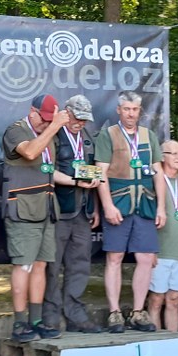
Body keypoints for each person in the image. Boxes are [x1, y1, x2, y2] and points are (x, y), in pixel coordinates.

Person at [94, 90, 166, 333]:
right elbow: (100, 173)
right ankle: (114, 312)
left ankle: (137, 312)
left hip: (145, 203)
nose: (131, 114)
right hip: (119, 202)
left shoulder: (149, 135)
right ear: (119, 110)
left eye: (135, 109)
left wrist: (161, 207)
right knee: (114, 258)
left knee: (145, 259)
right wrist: (107, 206)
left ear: (140, 111)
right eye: (126, 109)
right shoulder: (108, 135)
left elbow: (158, 173)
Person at [2, 93, 70, 343]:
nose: (47, 123)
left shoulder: (48, 135)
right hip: (22, 209)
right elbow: (30, 152)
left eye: (51, 120)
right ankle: (20, 323)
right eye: (44, 118)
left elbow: (48, 170)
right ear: (32, 112)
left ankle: (37, 320)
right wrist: (54, 127)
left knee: (41, 265)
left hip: (46, 208)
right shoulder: (16, 130)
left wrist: (76, 181)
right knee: (24, 265)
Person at [43, 95, 102, 333]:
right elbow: (46, 170)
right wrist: (75, 181)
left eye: (85, 119)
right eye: (77, 118)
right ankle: (50, 315)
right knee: (52, 265)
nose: (81, 123)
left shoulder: (87, 137)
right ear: (66, 113)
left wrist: (95, 206)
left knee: (80, 264)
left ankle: (75, 314)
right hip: (59, 209)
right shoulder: (53, 135)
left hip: (83, 210)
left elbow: (94, 171)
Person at [146, 140, 178, 332]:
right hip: (159, 251)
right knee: (156, 299)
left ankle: (172, 341)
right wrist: (150, 249)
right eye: (174, 154)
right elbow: (146, 217)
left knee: (174, 299)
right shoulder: (153, 181)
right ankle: (155, 342)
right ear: (162, 157)